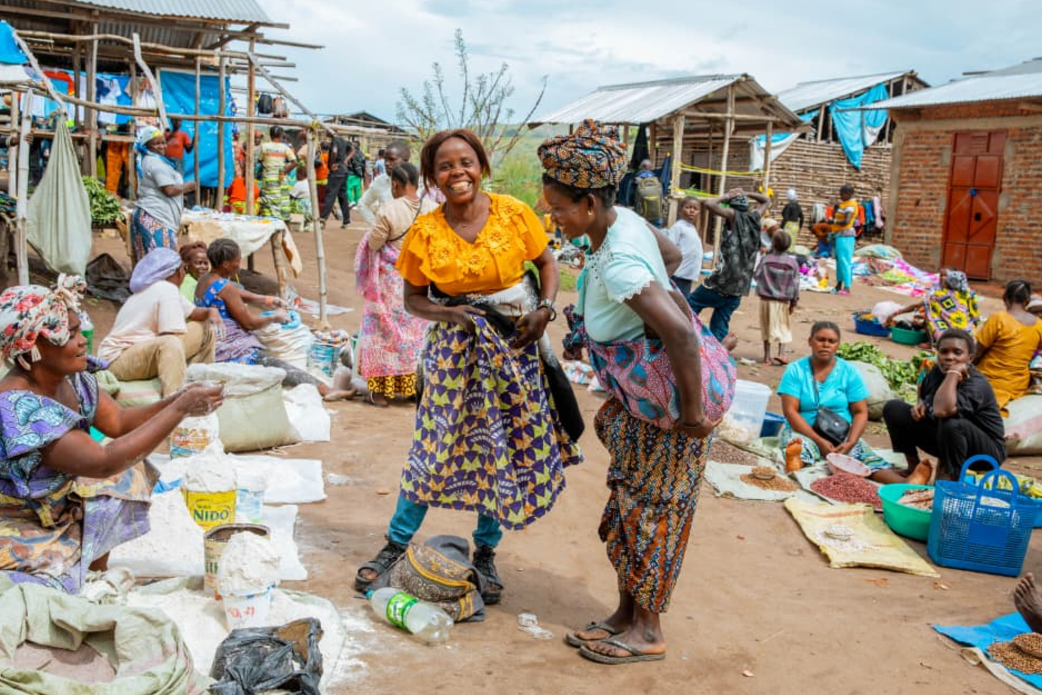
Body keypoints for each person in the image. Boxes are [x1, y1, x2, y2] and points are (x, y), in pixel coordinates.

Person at [353, 128, 582, 602]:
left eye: (465, 163)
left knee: (499, 447)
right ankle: (395, 545)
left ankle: (485, 555)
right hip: (453, 352)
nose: (457, 173)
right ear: (433, 177)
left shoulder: (514, 214)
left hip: (515, 341)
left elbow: (548, 263)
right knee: (432, 446)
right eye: (444, 166)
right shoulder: (425, 231)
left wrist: (545, 308)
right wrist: (451, 313)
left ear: (481, 167)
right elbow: (414, 299)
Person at [539, 120, 735, 665]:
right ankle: (626, 615)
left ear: (590, 203)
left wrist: (692, 415)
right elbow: (671, 261)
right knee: (631, 504)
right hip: (641, 402)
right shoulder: (623, 223)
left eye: (558, 208)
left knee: (654, 512)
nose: (552, 217)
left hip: (672, 410)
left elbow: (676, 330)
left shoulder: (620, 258)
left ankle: (647, 630)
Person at [0, 276, 223, 593]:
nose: (82, 341)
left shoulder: (70, 379)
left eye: (79, 330)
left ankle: (93, 569)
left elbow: (118, 421)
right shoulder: (17, 408)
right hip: (22, 519)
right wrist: (180, 408)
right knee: (42, 585)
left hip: (58, 506)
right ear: (33, 348)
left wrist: (177, 400)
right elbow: (102, 461)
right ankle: (82, 575)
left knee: (128, 472)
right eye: (70, 334)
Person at [779, 321, 932, 484]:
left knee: (864, 457)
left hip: (839, 433)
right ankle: (796, 461)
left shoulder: (849, 372)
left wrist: (851, 441)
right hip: (804, 429)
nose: (825, 345)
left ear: (838, 345)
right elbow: (790, 411)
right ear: (810, 341)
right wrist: (818, 440)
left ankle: (906, 483)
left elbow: (860, 411)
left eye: (831, 341)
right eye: (820, 340)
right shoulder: (796, 370)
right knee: (799, 445)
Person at [194, 239, 349, 399]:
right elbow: (249, 324)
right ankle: (327, 390)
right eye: (237, 260)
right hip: (230, 348)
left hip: (213, 341)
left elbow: (240, 294)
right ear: (226, 264)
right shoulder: (226, 288)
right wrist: (275, 317)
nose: (239, 265)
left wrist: (268, 299)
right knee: (279, 367)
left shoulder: (205, 280)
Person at [354, 162, 436, 406]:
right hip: (420, 280)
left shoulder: (389, 210)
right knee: (417, 335)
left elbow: (376, 243)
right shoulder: (432, 209)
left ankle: (381, 393)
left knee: (384, 333)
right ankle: (413, 388)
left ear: (396, 185)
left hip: (391, 282)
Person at [883, 328, 1005, 480]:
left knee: (952, 423)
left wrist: (953, 374)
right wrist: (921, 404)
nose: (949, 357)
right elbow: (925, 395)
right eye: (944, 352)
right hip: (947, 439)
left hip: (984, 453)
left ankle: (950, 480)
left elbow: (943, 411)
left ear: (970, 358)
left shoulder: (976, 384)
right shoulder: (936, 372)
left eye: (957, 353)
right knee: (894, 408)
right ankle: (913, 468)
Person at [99, 248, 219, 397]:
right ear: (177, 272)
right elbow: (170, 336)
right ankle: (174, 400)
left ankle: (196, 381)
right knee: (170, 343)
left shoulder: (161, 288)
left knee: (207, 328)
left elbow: (194, 313)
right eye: (183, 269)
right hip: (119, 360)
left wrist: (210, 312)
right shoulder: (166, 289)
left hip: (131, 355)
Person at [687, 188, 769, 341]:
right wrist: (747, 193)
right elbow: (766, 200)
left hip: (721, 283)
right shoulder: (754, 217)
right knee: (720, 323)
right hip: (739, 287)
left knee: (690, 306)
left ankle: (687, 340)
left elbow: (710, 204)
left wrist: (727, 196)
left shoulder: (733, 215)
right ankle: (719, 355)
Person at [973, 279, 1042, 412]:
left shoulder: (999, 318)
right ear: (1027, 301)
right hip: (1017, 385)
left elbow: (977, 353)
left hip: (988, 381)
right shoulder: (1039, 324)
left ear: (1004, 298)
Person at [131, 126, 195, 261]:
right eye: (156, 143)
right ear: (147, 145)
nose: (161, 146)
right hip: (156, 217)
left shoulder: (150, 160)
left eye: (162, 142)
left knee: (148, 263)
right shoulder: (155, 163)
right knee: (162, 263)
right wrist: (187, 187)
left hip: (151, 214)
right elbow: (169, 190)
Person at [884, 269, 981, 345]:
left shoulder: (939, 296)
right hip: (968, 332)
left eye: (945, 277)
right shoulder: (968, 293)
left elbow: (918, 305)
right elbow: (975, 315)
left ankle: (932, 343)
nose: (942, 279)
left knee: (929, 315)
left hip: (950, 331)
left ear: (949, 282)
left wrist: (894, 314)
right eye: (941, 276)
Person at [756, 230, 800, 366]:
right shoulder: (792, 263)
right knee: (783, 326)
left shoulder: (766, 260)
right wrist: (794, 301)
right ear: (789, 245)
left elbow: (756, 275)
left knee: (766, 327)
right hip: (783, 301)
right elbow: (795, 284)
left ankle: (767, 357)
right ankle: (781, 353)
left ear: (773, 243)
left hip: (765, 300)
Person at [358, 140, 411, 226]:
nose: (386, 163)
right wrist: (376, 226)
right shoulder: (380, 182)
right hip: (387, 237)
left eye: (392, 159)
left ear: (406, 161)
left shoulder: (418, 184)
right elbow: (362, 204)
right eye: (385, 159)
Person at [664, 196, 703, 296]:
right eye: (688, 207)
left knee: (683, 301)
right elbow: (670, 247)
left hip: (688, 275)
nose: (692, 211)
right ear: (680, 211)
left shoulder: (693, 229)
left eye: (695, 209)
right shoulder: (678, 227)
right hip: (678, 274)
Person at [257, 126, 296, 221]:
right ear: (281, 136)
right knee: (283, 200)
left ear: (270, 135)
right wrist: (284, 172)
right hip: (281, 177)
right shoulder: (285, 147)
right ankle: (283, 222)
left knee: (269, 201)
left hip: (269, 177)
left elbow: (260, 160)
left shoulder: (264, 146)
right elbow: (294, 162)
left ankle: (272, 222)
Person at [829, 184, 858, 295]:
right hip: (839, 235)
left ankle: (847, 287)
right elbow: (836, 216)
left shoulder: (851, 205)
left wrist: (834, 222)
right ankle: (839, 284)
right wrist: (836, 209)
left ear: (849, 194)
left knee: (845, 261)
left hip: (846, 235)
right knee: (840, 261)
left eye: (842, 193)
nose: (840, 195)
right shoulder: (843, 204)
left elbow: (846, 221)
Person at [320, 136, 352, 227]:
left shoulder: (335, 140)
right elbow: (352, 150)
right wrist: (346, 160)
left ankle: (323, 219)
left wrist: (331, 165)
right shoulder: (343, 140)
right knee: (342, 196)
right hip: (344, 170)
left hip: (337, 171)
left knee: (330, 194)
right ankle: (346, 220)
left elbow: (334, 151)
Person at [632, 159, 664, 228]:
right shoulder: (657, 180)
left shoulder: (636, 179)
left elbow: (630, 197)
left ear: (642, 167)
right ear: (650, 167)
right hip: (656, 213)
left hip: (641, 213)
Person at [346, 140, 366, 206]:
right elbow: (364, 165)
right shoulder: (362, 154)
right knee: (357, 189)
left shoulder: (348, 153)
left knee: (347, 188)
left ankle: (351, 201)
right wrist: (362, 174)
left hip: (350, 174)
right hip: (358, 174)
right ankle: (357, 203)